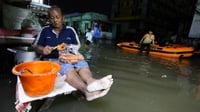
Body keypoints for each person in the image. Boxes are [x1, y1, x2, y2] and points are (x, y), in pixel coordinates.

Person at [33, 6, 113, 101]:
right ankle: (87, 92)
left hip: (69, 56)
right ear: (49, 19)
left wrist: (69, 46)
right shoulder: (45, 30)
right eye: (52, 18)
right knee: (66, 67)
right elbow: (36, 47)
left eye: (57, 17)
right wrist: (43, 50)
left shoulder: (70, 30)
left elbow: (77, 45)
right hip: (52, 60)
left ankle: (92, 82)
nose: (55, 20)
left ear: (62, 17)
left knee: (82, 63)